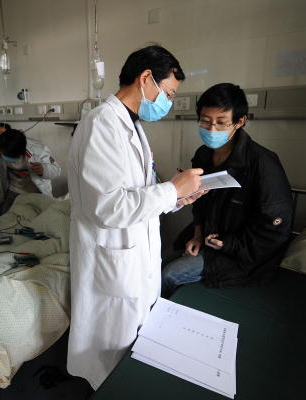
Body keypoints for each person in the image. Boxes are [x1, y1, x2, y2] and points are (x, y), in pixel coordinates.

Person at [67, 45, 205, 389]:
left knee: (129, 349)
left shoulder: (132, 125)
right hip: (112, 259)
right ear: (146, 78)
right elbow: (108, 207)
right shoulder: (102, 123)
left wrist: (178, 198)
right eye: (168, 93)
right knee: (111, 356)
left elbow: (138, 194)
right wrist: (171, 189)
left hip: (132, 255)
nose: (168, 102)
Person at [162, 83, 293, 297]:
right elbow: (200, 203)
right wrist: (197, 235)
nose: (212, 129)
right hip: (207, 237)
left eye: (221, 122)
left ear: (240, 122)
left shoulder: (263, 164)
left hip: (241, 254)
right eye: (205, 121)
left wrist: (228, 244)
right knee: (156, 262)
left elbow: (274, 231)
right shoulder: (203, 155)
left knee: (169, 275)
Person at [0, 128, 61, 212]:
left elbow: (56, 170)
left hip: (36, 192)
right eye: (5, 156)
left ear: (22, 152)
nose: (10, 161)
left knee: (38, 216)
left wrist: (44, 169)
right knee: (8, 215)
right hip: (13, 191)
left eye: (13, 158)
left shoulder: (39, 151)